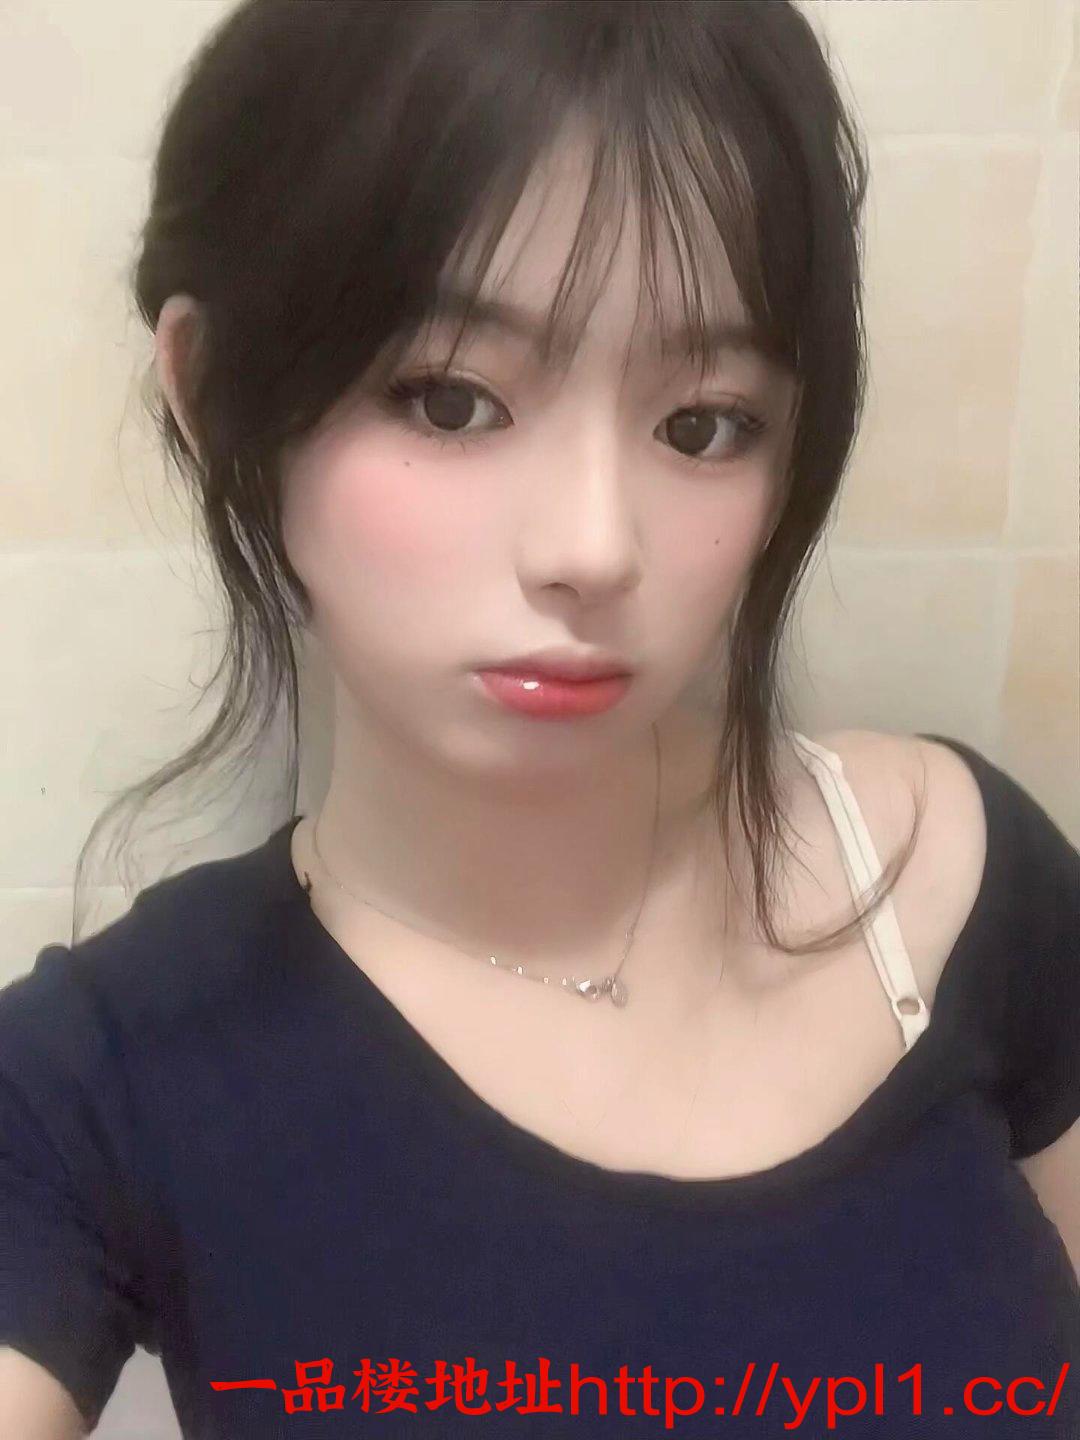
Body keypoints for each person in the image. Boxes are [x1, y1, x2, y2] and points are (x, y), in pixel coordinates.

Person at [2, 2, 1078, 1437]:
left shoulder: (958, 884)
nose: (593, 547)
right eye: (451, 401)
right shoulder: (99, 1081)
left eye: (704, 424)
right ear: (215, 394)